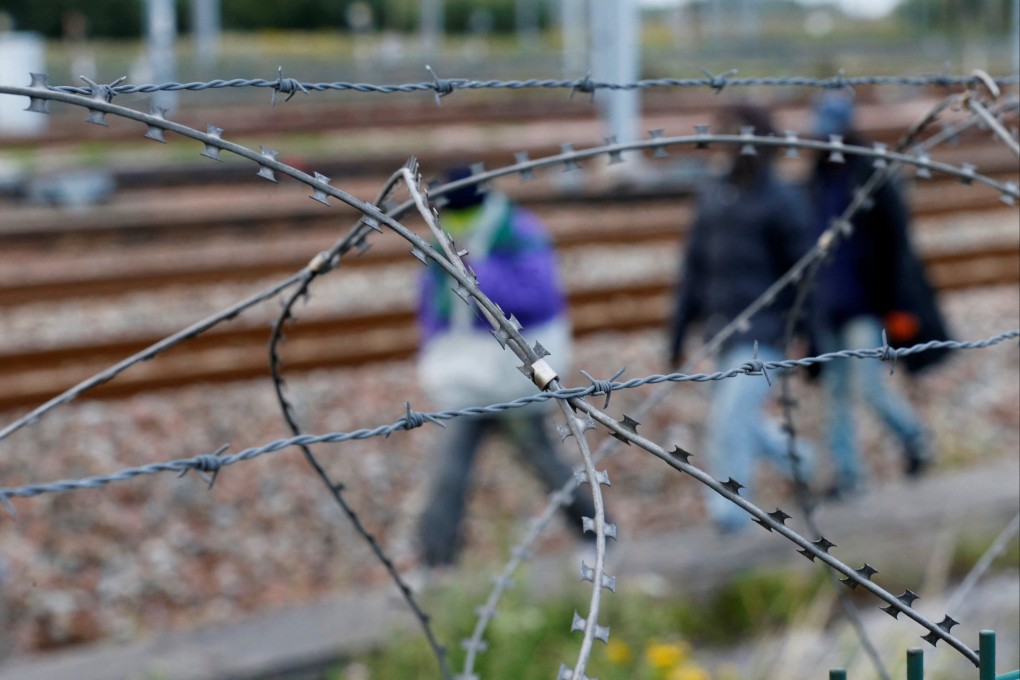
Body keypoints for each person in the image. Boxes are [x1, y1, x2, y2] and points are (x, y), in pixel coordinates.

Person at [415, 165, 596, 567]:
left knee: (545, 463)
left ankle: (597, 536)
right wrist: (431, 345)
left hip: (516, 377)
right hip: (465, 379)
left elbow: (539, 299)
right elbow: (432, 301)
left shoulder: (518, 231)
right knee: (448, 473)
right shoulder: (438, 235)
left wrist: (477, 273)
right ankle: (435, 564)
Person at [668, 103, 815, 534]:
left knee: (728, 420)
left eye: (733, 135)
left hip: (765, 333)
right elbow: (693, 268)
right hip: (721, 331)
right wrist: (678, 331)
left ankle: (731, 516)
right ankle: (802, 460)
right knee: (742, 420)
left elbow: (803, 275)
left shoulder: (781, 199)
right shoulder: (713, 194)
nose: (724, 144)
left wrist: (809, 333)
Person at [807, 92, 947, 500]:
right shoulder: (816, 179)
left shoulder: (871, 173)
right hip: (827, 306)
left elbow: (897, 244)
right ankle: (848, 476)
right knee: (835, 393)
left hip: (865, 305)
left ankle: (915, 438)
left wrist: (899, 305)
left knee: (867, 387)